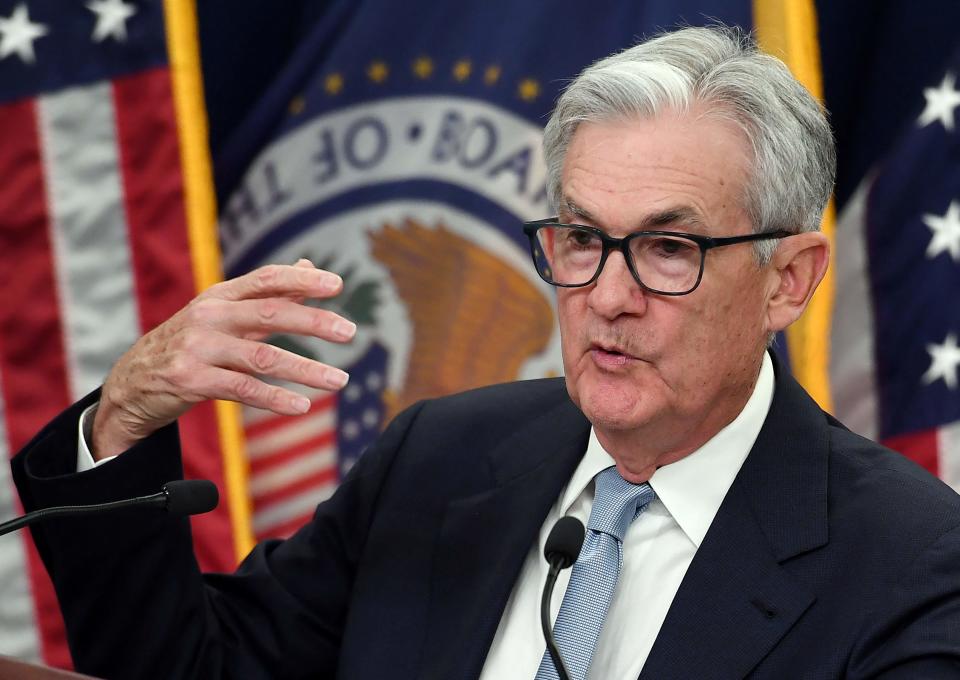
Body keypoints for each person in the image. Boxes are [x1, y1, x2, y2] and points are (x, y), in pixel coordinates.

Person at [12, 25, 960, 680]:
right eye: (583, 240)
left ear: (788, 280)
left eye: (670, 250)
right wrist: (122, 418)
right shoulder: (442, 458)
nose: (608, 298)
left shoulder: (911, 560)